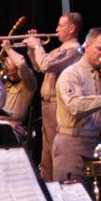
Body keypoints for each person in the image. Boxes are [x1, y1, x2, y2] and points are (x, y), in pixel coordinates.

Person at [53, 28, 101, 182]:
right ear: (86, 46)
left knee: (98, 200)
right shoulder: (71, 73)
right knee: (74, 198)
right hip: (74, 145)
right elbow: (75, 107)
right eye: (100, 49)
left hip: (100, 145)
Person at [25, 13, 83, 180]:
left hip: (58, 105)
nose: (56, 29)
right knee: (46, 154)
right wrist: (31, 48)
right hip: (47, 105)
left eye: (60, 26)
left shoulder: (73, 50)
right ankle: (49, 190)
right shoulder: (60, 49)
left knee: (54, 153)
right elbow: (38, 66)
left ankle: (57, 191)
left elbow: (46, 64)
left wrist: (37, 47)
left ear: (71, 28)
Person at [0, 39, 38, 140]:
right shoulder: (1, 84)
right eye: (9, 75)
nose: (12, 78)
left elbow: (22, 64)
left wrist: (8, 50)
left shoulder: (28, 86)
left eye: (15, 74)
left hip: (14, 129)